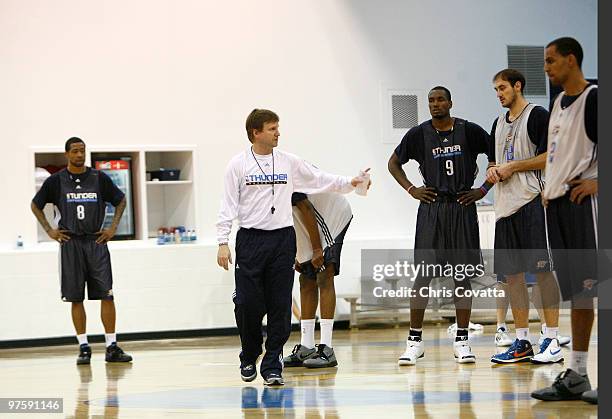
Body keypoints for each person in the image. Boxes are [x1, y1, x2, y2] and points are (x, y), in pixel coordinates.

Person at [216, 109, 369, 386]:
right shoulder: (237, 165)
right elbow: (227, 205)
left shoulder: (288, 162)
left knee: (280, 305)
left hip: (281, 240)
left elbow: (320, 179)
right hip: (250, 240)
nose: (278, 133)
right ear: (256, 133)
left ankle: (273, 364)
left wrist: (350, 182)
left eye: (278, 127)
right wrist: (222, 242)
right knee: (247, 304)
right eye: (272, 128)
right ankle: (250, 354)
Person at [388, 86, 493, 365]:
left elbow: (496, 152)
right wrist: (412, 189)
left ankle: (462, 340)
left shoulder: (469, 130)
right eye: (431, 101)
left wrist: (483, 189)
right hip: (432, 209)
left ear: (450, 102)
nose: (435, 104)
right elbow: (393, 163)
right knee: (423, 277)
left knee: (462, 276)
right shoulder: (418, 133)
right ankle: (414, 341)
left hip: (462, 207)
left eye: (440, 99)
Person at [530, 37, 598, 403]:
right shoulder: (557, 102)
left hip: (584, 205)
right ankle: (578, 373)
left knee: (598, 288)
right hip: (556, 206)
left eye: (551, 61)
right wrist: (548, 188)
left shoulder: (594, 98)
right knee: (579, 293)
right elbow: (555, 154)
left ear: (571, 60)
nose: (546, 67)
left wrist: (599, 181)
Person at [486, 68, 565, 364]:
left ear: (517, 86)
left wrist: (514, 167)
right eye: (495, 90)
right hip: (505, 207)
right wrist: (493, 170)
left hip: (533, 203)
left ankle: (552, 339)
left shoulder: (538, 115)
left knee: (543, 271)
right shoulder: (497, 123)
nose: (498, 94)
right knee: (513, 277)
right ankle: (522, 341)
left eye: (502, 88)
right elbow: (497, 161)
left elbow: (550, 156)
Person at [31, 137, 133, 365]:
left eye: (83, 151)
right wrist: (49, 230)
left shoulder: (98, 177)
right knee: (75, 298)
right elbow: (35, 205)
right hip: (70, 242)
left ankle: (111, 346)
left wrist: (112, 228)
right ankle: (84, 347)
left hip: (95, 242)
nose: (80, 155)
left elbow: (121, 200)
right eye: (75, 151)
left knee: (107, 294)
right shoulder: (56, 181)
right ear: (67, 154)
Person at [283, 192, 353, 369]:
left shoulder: (287, 173)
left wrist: (316, 249)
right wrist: (295, 254)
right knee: (306, 279)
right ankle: (306, 346)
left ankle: (326, 348)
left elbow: (306, 209)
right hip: (304, 219)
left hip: (330, 214)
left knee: (324, 275)